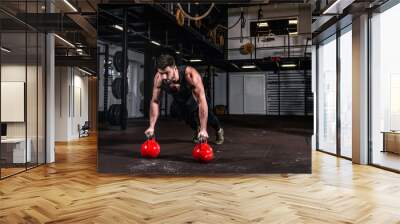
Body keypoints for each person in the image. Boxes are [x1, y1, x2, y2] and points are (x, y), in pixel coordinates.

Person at [144, 54, 224, 144]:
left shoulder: (190, 75)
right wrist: (151, 126)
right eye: (161, 73)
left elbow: (201, 101)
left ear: (174, 68)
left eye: (166, 73)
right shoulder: (159, 79)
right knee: (177, 112)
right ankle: (197, 129)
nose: (164, 77)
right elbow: (155, 101)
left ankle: (218, 130)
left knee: (209, 116)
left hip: (196, 98)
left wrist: (204, 129)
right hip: (181, 101)